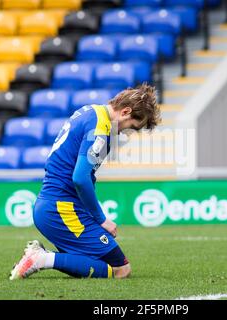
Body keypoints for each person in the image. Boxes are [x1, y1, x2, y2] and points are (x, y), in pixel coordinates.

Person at [10, 84, 161, 280]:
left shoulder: (90, 111)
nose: (125, 133)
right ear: (125, 111)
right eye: (131, 127)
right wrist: (101, 219)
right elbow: (80, 178)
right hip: (61, 209)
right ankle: (40, 259)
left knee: (98, 262)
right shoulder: (101, 127)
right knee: (120, 269)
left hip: (53, 205)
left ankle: (43, 257)